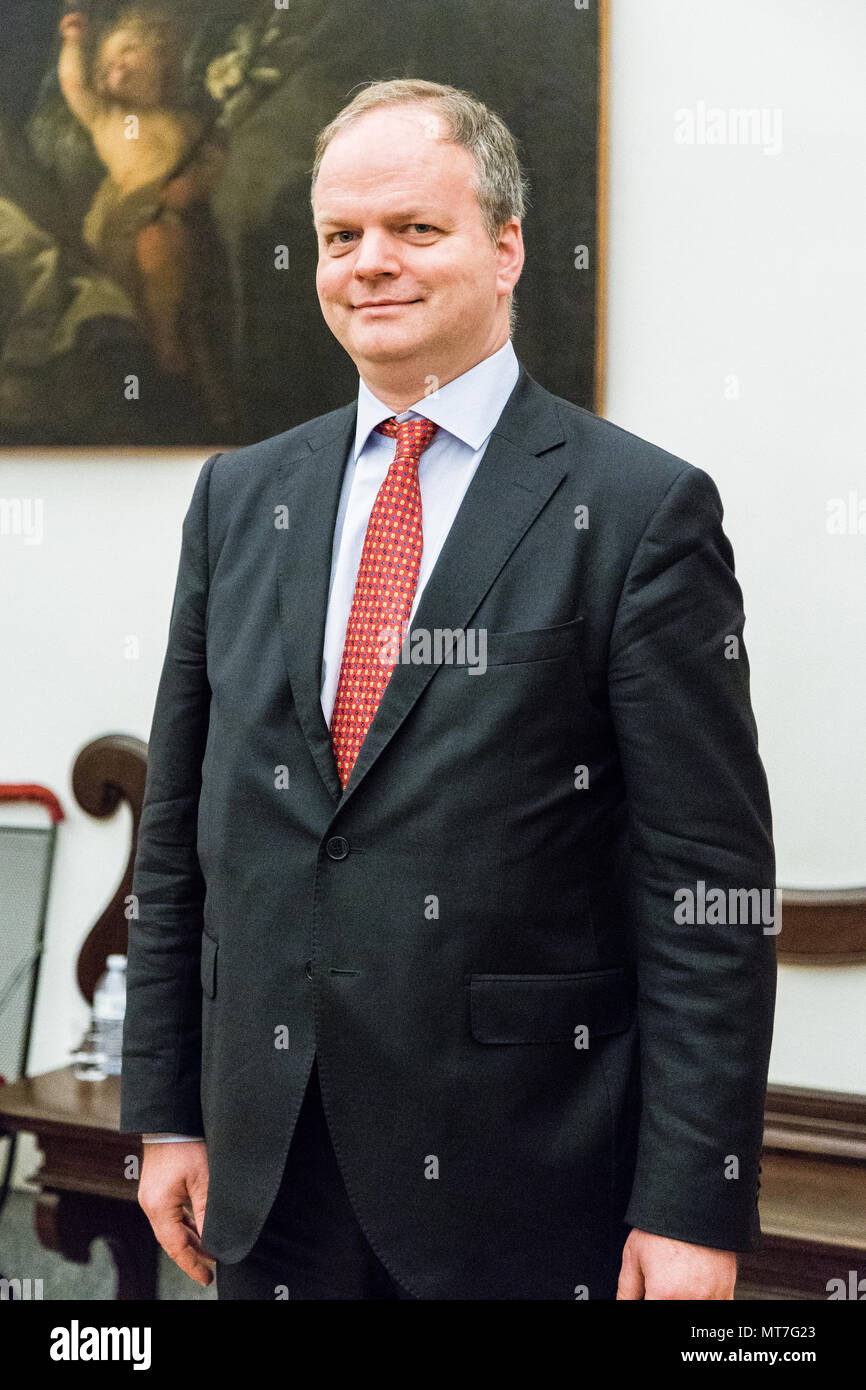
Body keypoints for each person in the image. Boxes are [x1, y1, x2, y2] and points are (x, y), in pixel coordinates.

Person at [121, 78, 777, 1301]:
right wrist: (165, 1112)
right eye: (338, 236)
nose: (369, 262)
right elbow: (180, 842)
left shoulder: (637, 513)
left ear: (507, 245)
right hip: (269, 1179)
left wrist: (693, 1205)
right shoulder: (236, 497)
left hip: (522, 1186)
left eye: (414, 229)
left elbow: (706, 890)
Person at [57, 7, 232, 433]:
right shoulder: (108, 117)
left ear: (161, 58)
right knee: (154, 244)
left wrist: (192, 184)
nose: (117, 66)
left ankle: (173, 356)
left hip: (177, 214)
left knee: (171, 255)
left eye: (129, 51)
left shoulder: (187, 123)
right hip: (128, 214)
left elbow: (214, 164)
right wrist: (74, 41)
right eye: (108, 62)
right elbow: (73, 83)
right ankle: (164, 348)